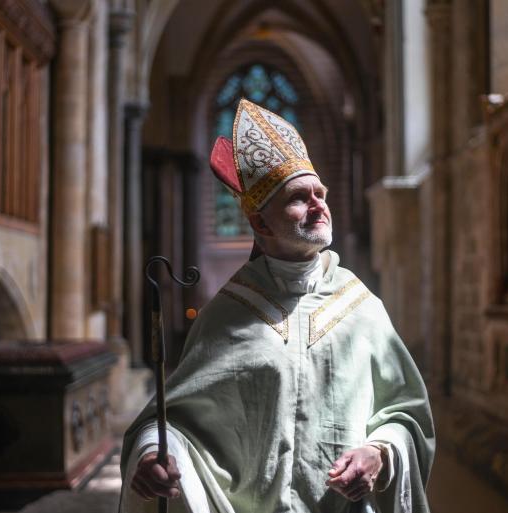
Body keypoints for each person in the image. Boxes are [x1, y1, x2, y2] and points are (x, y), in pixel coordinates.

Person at [119, 98, 434, 513]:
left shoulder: (362, 308)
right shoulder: (228, 313)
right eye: (300, 198)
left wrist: (380, 453)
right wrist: (151, 456)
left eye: (320, 193)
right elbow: (170, 424)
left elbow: (405, 415)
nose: (319, 205)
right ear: (261, 224)